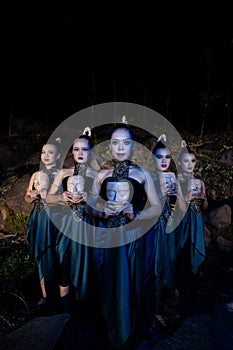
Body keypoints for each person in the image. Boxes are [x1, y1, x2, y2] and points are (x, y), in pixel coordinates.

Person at [87, 122, 162, 349]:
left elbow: (157, 208)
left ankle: (130, 331)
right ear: (110, 146)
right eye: (115, 142)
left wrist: (137, 213)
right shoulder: (102, 174)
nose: (120, 147)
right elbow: (88, 206)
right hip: (107, 239)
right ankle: (109, 330)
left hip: (132, 240)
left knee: (131, 283)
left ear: (133, 146)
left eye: (126, 142)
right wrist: (101, 211)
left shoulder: (143, 174)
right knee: (106, 284)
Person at [46, 131, 98, 314]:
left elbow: (103, 206)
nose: (80, 152)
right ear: (72, 152)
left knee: (87, 268)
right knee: (65, 267)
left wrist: (89, 202)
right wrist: (61, 197)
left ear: (91, 152)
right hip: (67, 224)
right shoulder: (63, 172)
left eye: (85, 149)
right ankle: (65, 314)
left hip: (88, 226)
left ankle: (84, 314)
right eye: (76, 149)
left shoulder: (97, 175)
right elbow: (49, 198)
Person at [144, 138, 186, 330]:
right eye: (159, 157)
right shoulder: (148, 177)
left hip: (169, 224)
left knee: (168, 261)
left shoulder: (173, 177)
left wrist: (177, 194)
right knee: (152, 265)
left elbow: (182, 208)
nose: (163, 160)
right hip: (151, 226)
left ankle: (164, 307)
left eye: (167, 157)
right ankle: (152, 310)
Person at [24, 140, 61, 310]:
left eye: (50, 152)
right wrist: (32, 197)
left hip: (55, 217)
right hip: (39, 217)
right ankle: (45, 295)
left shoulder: (61, 174)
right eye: (43, 152)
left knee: (56, 253)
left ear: (58, 155)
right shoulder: (36, 174)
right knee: (41, 252)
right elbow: (26, 198)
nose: (45, 156)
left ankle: (62, 294)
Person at [176, 145, 208, 307]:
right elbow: (180, 207)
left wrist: (203, 197)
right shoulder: (177, 180)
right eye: (186, 161)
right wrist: (188, 197)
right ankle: (180, 292)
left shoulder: (199, 180)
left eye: (193, 161)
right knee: (183, 250)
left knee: (195, 253)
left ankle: (193, 292)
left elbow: (205, 206)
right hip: (184, 219)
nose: (190, 164)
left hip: (197, 218)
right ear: (180, 163)